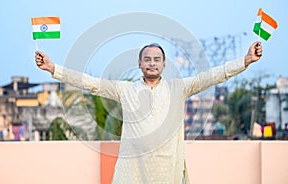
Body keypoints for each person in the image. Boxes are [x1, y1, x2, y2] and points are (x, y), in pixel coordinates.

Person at [35, 41, 262, 184]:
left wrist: (245, 61)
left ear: (164, 65)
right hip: (132, 172)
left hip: (168, 171)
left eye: (157, 60)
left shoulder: (178, 88)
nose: (152, 64)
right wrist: (54, 69)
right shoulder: (125, 90)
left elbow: (213, 76)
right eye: (147, 60)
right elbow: (89, 83)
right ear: (139, 64)